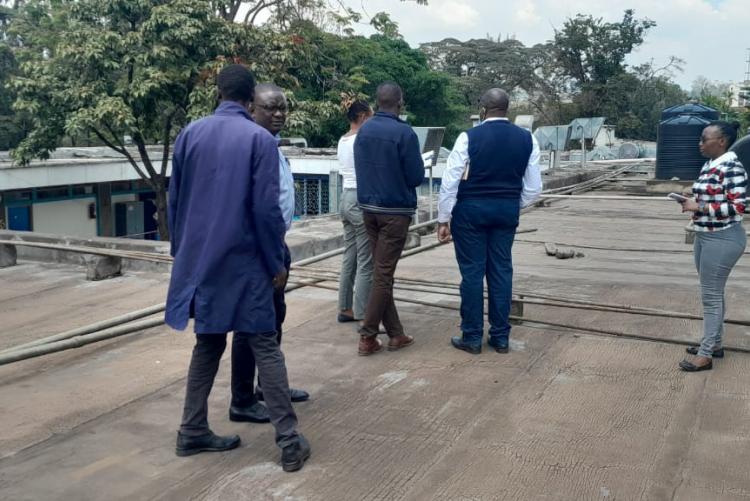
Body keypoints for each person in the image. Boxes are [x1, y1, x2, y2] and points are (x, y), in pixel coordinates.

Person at [166, 65, 310, 472]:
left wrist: (184, 255)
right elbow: (266, 211)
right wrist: (276, 261)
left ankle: (192, 430)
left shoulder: (190, 134)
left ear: (219, 92)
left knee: (208, 344)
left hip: (202, 263)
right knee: (264, 344)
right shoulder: (258, 139)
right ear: (250, 101)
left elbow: (175, 200)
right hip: (245, 263)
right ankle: (288, 441)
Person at [437, 88, 542, 355]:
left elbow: (450, 182)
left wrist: (443, 218)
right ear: (507, 109)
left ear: (483, 109)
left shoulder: (468, 137)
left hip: (470, 213)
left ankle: (472, 337)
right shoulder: (527, 138)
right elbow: (533, 189)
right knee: (501, 271)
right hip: (506, 212)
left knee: (472, 273)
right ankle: (500, 337)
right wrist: (510, 204)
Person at [227, 84, 309, 423]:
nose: (278, 114)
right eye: (270, 108)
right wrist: (271, 256)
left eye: (282, 109)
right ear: (251, 108)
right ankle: (242, 399)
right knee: (251, 327)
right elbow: (257, 208)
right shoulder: (250, 148)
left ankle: (269, 386)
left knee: (274, 320)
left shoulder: (271, 147)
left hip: (276, 244)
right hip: (259, 249)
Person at [353, 82, 424, 356]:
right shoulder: (404, 133)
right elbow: (416, 177)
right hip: (394, 213)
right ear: (400, 102)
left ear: (376, 102)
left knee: (382, 273)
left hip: (369, 209)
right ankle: (368, 337)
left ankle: (396, 334)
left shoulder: (364, 129)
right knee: (383, 275)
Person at [678, 121, 746, 372]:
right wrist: (691, 199)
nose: (700, 143)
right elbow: (712, 197)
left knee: (710, 297)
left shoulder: (731, 167)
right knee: (714, 293)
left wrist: (701, 207)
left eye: (705, 139)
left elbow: (739, 207)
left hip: (724, 238)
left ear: (722, 141)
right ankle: (714, 343)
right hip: (705, 235)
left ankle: (706, 354)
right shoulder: (710, 165)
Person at [337, 100, 374, 324]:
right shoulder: (361, 139)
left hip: (345, 197)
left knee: (349, 256)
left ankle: (345, 307)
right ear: (362, 117)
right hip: (359, 198)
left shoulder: (343, 139)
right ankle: (363, 314)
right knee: (366, 260)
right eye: (370, 116)